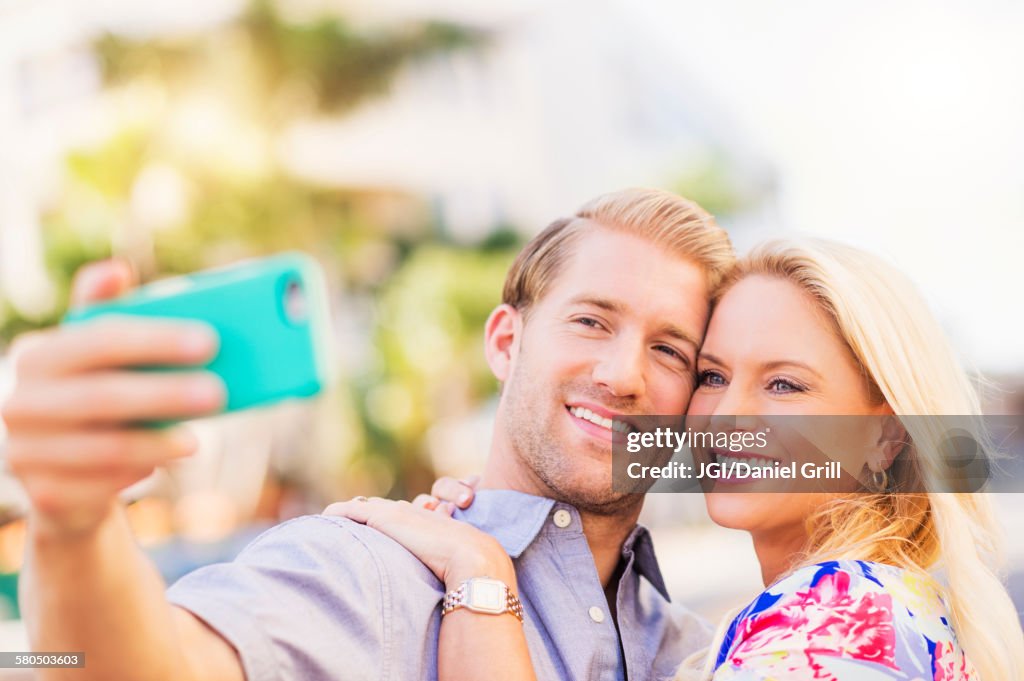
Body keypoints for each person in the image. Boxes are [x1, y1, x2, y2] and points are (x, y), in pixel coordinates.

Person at [0, 188, 734, 680]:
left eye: (670, 350)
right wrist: (74, 523)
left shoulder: (700, 650)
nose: (623, 373)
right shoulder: (369, 568)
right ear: (506, 343)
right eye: (591, 320)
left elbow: (848, 456)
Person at [325, 239, 1024, 680]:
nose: (725, 416)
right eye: (713, 375)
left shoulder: (840, 627)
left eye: (784, 384)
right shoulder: (871, 609)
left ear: (887, 436)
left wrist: (479, 573)